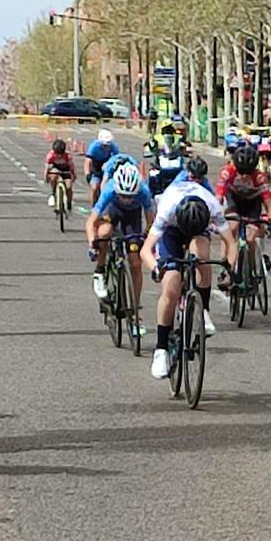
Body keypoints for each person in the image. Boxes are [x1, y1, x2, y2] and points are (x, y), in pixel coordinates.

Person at [140, 172, 236, 379]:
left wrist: (229, 267)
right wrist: (156, 268)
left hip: (198, 229)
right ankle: (161, 349)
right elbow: (145, 250)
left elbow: (231, 243)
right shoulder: (167, 209)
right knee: (171, 286)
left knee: (202, 254)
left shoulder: (212, 206)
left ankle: (204, 309)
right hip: (172, 232)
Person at [85, 160, 155, 329]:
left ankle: (135, 310)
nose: (126, 200)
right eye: (123, 195)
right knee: (103, 233)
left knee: (135, 263)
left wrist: (146, 240)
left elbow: (151, 222)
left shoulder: (144, 192)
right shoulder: (109, 189)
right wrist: (92, 244)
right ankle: (100, 271)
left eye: (131, 196)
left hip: (133, 218)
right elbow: (90, 223)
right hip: (112, 212)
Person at [215, 142, 271, 276]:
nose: (244, 176)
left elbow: (269, 203)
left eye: (248, 172)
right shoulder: (227, 172)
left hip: (252, 203)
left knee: (251, 237)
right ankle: (224, 265)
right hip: (234, 201)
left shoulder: (259, 178)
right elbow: (218, 198)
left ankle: (252, 269)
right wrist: (215, 217)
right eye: (241, 171)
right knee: (231, 228)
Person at [85, 129, 119, 206]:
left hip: (107, 165)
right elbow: (88, 162)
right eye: (104, 146)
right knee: (94, 187)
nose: (106, 148)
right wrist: (87, 174)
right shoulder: (94, 146)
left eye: (108, 146)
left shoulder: (113, 147)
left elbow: (117, 159)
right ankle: (93, 207)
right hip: (95, 166)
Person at [44, 137, 77, 211]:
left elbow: (72, 167)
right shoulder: (50, 156)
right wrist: (46, 176)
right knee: (53, 177)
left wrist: (74, 176)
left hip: (65, 169)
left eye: (61, 154)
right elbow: (47, 168)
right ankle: (53, 193)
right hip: (55, 168)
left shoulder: (68, 156)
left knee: (68, 187)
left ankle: (69, 201)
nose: (59, 156)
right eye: (57, 154)